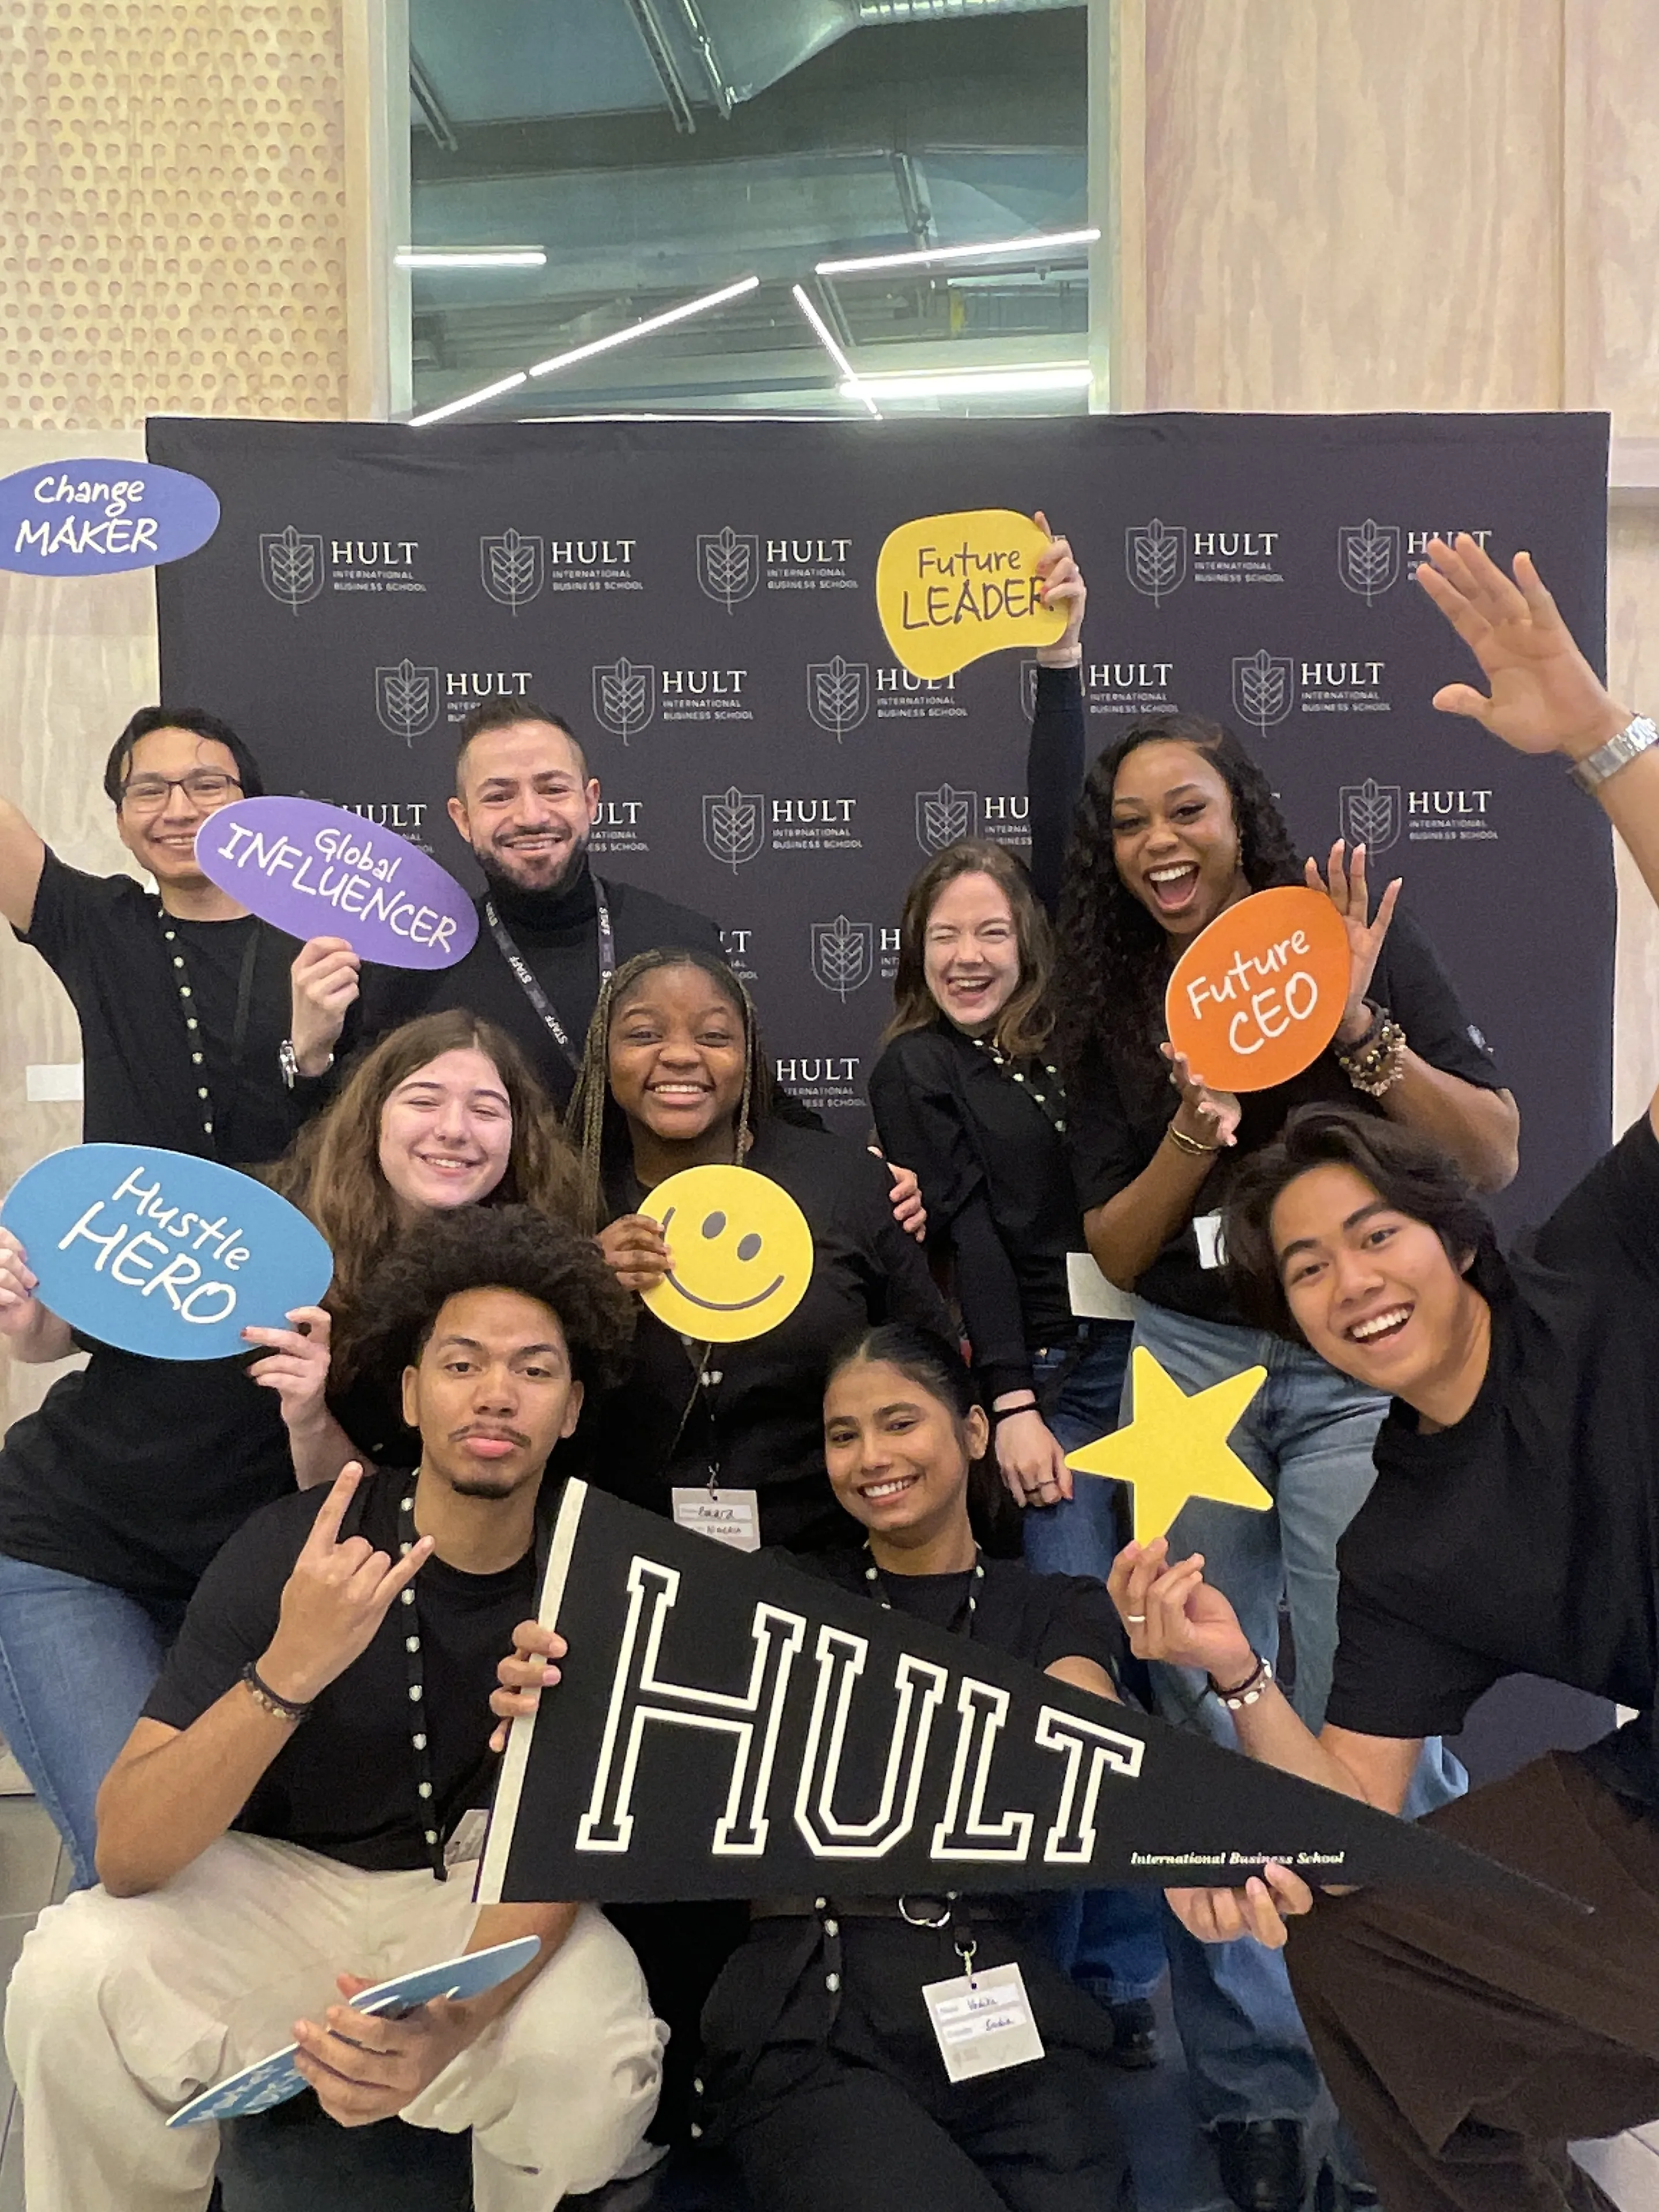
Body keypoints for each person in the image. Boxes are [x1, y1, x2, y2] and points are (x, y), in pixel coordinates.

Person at [1112, 533, 1659, 2212]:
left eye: (1374, 1233)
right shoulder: (1402, 1531)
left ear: (1458, 1236)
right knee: (1357, 1935)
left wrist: (1601, 739)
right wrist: (1222, 1675)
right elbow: (1347, 1805)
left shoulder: (1602, 1259)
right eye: (1308, 1262)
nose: (1349, 1278)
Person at [1034, 525, 1518, 2210]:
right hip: (1189, 1370)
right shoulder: (1103, 995)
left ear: (1241, 812)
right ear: (1108, 855)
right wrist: (1189, 1119)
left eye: (1189, 805)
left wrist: (1370, 1035)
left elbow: (1499, 1148)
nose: (1163, 837)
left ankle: (1437, 2040)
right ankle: (1256, 2083)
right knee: (1205, 1705)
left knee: (1368, 1692)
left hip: (1354, 1372)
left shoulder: (1347, 946)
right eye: (1130, 820)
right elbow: (1111, 1220)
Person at [5, 1203, 665, 2212]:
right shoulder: (292, 1540)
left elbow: (569, 1851)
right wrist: (287, 1672)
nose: (495, 1395)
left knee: (597, 2053)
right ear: (408, 1391)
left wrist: (459, 2021)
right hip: (270, 1884)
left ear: (572, 1408)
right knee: (69, 1976)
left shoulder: (604, 1577)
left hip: (475, 1885)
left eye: (533, 1371)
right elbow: (131, 1852)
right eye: (461, 1364)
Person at [493, 1324, 1159, 2212]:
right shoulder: (780, 1590)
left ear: (971, 1431)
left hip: (1001, 2008)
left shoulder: (1052, 1604)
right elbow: (639, 1692)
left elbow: (1086, 1745)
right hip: (816, 2016)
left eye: (898, 1423)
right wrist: (555, 1686)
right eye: (844, 1436)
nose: (870, 1456)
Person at [869, 840, 1165, 2067]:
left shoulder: (1082, 1043)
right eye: (945, 936)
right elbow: (975, 1236)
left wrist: (1060, 673)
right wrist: (1013, 1396)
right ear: (914, 950)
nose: (969, 957)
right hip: (1051, 1379)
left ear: (1031, 939)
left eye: (991, 931)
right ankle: (1058, 1981)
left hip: (1171, 1366)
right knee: (1069, 1679)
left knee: (1169, 1674)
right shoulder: (914, 1066)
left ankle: (1126, 1970)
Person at [573, 946, 953, 1554]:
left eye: (714, 1035)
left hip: (835, 1563)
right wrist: (578, 1287)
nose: (679, 1054)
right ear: (604, 1055)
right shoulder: (564, 1204)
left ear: (748, 1059)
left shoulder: (844, 1184)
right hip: (629, 1563)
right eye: (644, 1033)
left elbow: (933, 1367)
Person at [286, 697, 724, 1113]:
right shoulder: (411, 965)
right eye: (499, 796)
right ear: (463, 819)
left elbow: (752, 1109)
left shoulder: (681, 939)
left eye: (553, 789)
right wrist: (311, 1056)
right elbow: (352, 1141)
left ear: (590, 802)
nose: (531, 816)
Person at [248, 1008, 581, 1483]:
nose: (453, 1130)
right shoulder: (279, 1250)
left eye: (485, 1110)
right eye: (424, 1102)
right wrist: (308, 1416)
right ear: (373, 1116)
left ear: (519, 1136)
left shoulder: (548, 1273)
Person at [0, 704, 320, 1162]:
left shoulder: (324, 942)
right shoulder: (97, 925)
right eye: (149, 791)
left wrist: (313, 1056)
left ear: (251, 807)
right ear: (121, 824)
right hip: (138, 1222)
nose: (179, 811)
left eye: (207, 786)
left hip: (294, 1222)